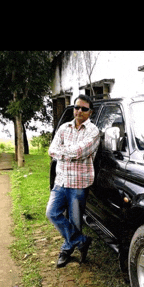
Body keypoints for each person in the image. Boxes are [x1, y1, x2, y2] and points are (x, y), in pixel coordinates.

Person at [46, 94, 100, 268]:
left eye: (84, 109)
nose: (79, 111)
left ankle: (67, 250)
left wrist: (62, 152)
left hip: (78, 183)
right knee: (52, 213)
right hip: (61, 181)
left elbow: (79, 152)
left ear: (90, 112)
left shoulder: (93, 131)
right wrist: (66, 153)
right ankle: (81, 241)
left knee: (75, 221)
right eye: (77, 107)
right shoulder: (64, 128)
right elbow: (51, 150)